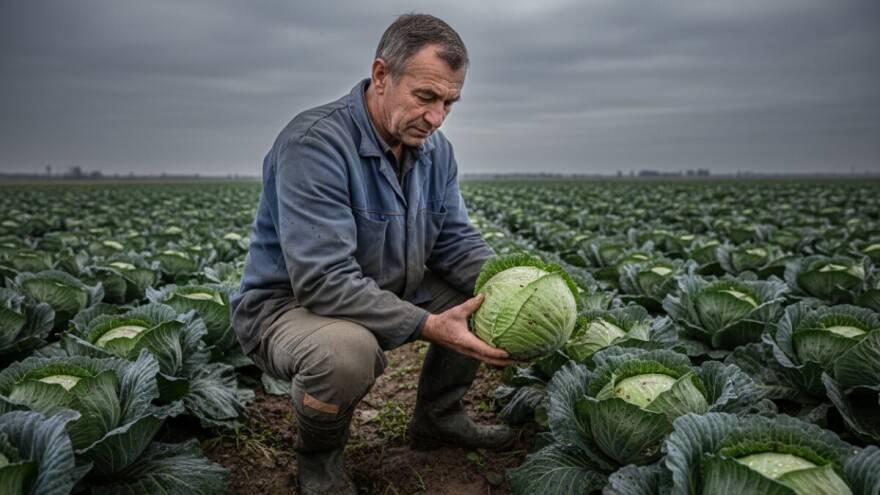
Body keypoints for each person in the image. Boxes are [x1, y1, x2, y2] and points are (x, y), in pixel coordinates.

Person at [230, 13, 514, 495]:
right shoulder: (314, 144)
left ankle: (438, 419)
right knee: (345, 354)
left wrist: (519, 285)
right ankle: (319, 457)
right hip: (292, 308)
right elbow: (323, 281)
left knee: (488, 295)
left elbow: (456, 243)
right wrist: (429, 326)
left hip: (385, 289)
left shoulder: (435, 150)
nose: (437, 117)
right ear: (381, 75)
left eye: (449, 102)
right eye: (425, 97)